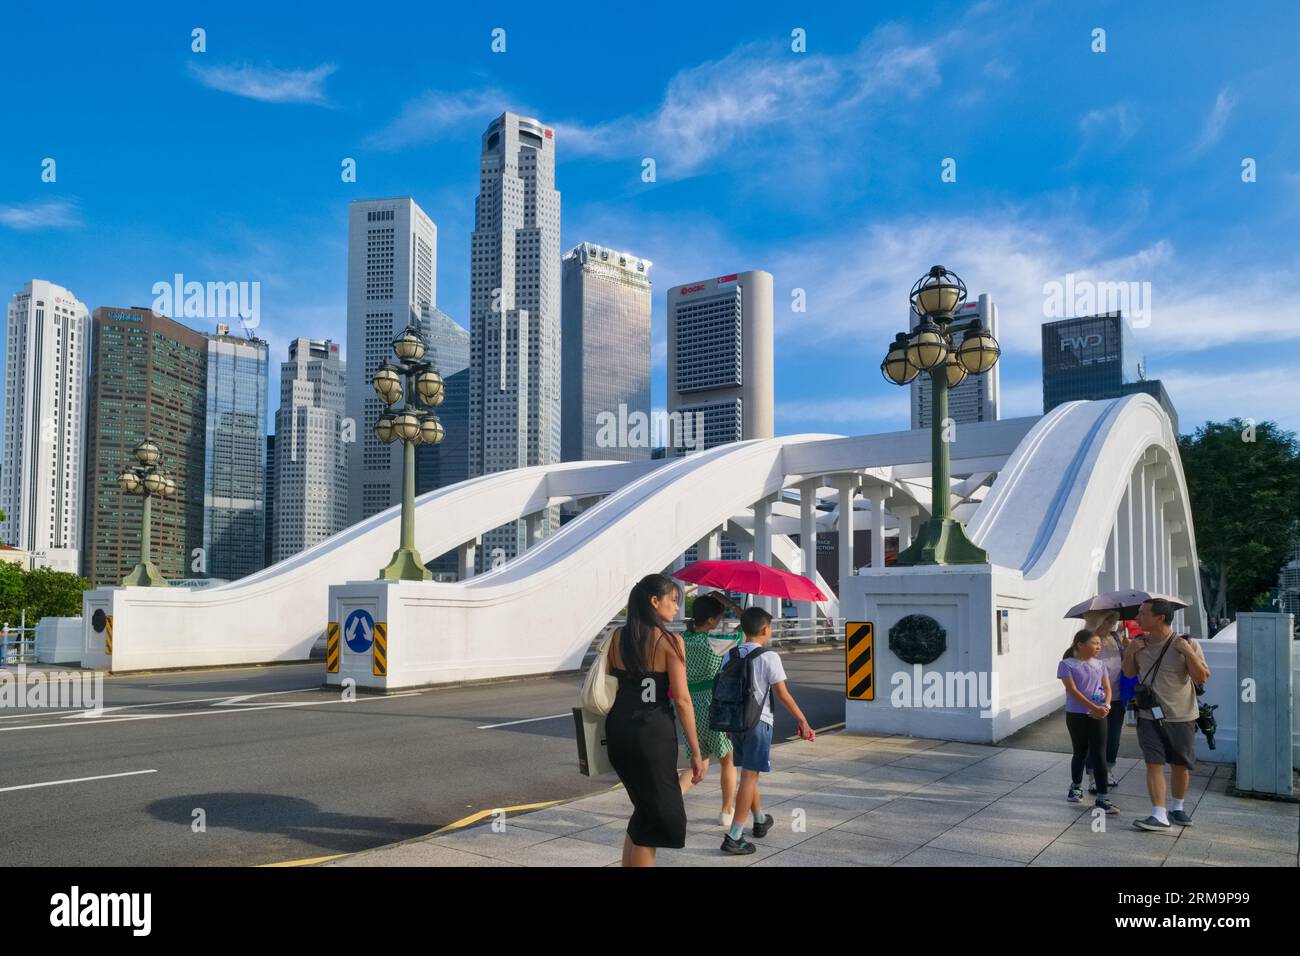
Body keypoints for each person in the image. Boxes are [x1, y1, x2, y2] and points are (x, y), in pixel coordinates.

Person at [605, 573, 705, 867]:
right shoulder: (670, 642)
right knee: (657, 821)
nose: (677, 607)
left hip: (619, 732)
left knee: (645, 811)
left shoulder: (616, 639)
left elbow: (613, 685)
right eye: (673, 600)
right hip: (653, 736)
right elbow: (683, 700)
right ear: (654, 601)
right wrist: (696, 752)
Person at [720, 606, 815, 855]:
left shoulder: (729, 656)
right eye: (770, 627)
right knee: (749, 777)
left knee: (750, 774)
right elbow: (783, 694)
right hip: (759, 723)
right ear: (764, 629)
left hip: (735, 723)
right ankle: (735, 836)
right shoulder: (769, 657)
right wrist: (803, 721)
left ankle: (760, 819)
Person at [1122, 598, 1211, 832]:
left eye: (1142, 613)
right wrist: (1130, 651)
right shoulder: (1139, 643)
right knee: (1154, 763)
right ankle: (1159, 814)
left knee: (1180, 765)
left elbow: (1201, 676)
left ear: (1160, 617)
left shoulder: (1186, 643)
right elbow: (1129, 672)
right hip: (1148, 715)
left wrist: (1187, 653)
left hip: (1181, 715)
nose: (1137, 618)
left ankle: (1178, 807)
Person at [677, 592, 744, 825]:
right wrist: (733, 606)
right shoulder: (714, 642)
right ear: (711, 621)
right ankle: (727, 811)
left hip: (688, 704)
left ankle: (672, 801)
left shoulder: (680, 640)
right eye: (718, 617)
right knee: (727, 759)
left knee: (699, 760)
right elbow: (747, 629)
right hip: (713, 703)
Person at [1057, 629, 1119, 815]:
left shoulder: (1100, 664)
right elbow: (1072, 690)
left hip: (1099, 714)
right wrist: (1092, 707)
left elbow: (1107, 687)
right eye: (1095, 643)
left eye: (1100, 644)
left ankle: (1102, 798)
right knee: (1080, 752)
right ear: (1080, 645)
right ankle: (1076, 786)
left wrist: (1106, 706)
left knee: (1099, 754)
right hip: (1077, 714)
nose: (1099, 647)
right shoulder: (1066, 664)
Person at [1087, 615, 1128, 794]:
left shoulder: (1117, 638)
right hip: (1095, 698)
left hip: (1117, 696)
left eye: (1113, 621)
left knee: (1113, 738)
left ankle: (1108, 770)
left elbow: (1124, 664)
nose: (1110, 625)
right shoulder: (1087, 639)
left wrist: (1128, 648)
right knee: (1095, 739)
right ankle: (1092, 776)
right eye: (1107, 621)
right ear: (1097, 620)